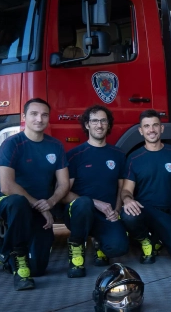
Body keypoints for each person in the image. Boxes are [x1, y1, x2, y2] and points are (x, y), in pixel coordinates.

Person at [0, 98, 69, 290]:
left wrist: (51, 203)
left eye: (44, 115)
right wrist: (39, 205)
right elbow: (6, 186)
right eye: (34, 114)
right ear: (24, 117)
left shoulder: (55, 146)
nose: (39, 119)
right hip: (8, 202)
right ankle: (19, 261)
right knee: (18, 203)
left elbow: (63, 184)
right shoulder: (12, 144)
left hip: (40, 207)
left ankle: (0, 253)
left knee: (37, 268)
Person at [62, 105, 129, 278]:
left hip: (106, 215)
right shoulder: (75, 155)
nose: (99, 125)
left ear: (108, 124)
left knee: (119, 247)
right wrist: (94, 202)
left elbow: (121, 187)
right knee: (84, 203)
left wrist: (116, 210)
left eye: (103, 121)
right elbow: (64, 192)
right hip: (80, 213)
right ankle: (76, 249)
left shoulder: (118, 155)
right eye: (94, 121)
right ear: (87, 125)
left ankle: (99, 242)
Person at [120, 109, 171, 265]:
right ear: (141, 131)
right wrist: (127, 200)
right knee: (128, 215)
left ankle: (158, 239)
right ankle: (146, 241)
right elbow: (126, 190)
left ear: (162, 128)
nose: (151, 130)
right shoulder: (134, 158)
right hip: (146, 211)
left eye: (155, 125)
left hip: (170, 212)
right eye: (146, 126)